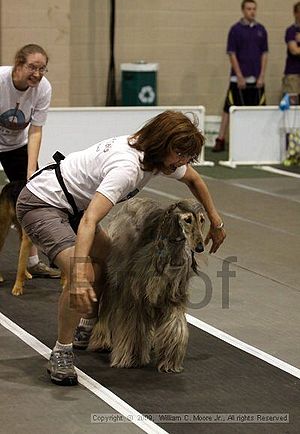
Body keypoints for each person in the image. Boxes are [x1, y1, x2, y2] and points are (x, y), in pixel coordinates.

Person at [16, 110, 226, 386]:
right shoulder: (127, 168)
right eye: (180, 155)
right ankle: (61, 353)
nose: (183, 162)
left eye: (187, 157)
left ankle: (86, 326)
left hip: (73, 206)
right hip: (41, 204)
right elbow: (90, 221)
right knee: (85, 272)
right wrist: (78, 278)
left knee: (109, 258)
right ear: (163, 144)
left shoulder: (159, 156)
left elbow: (194, 180)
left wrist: (216, 222)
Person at [0, 44, 60, 278]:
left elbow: (35, 130)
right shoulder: (1, 81)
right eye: (32, 67)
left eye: (42, 68)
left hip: (17, 145)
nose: (37, 73)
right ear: (18, 64)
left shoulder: (43, 88)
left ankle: (32, 262)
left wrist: (30, 172)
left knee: (32, 198)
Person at [212, 0, 268, 152]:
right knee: (228, 108)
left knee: (259, 109)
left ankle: (259, 140)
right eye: (249, 9)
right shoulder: (235, 30)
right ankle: (220, 139)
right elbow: (232, 54)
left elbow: (264, 53)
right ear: (243, 10)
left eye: (254, 9)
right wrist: (239, 75)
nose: (252, 11)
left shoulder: (261, 30)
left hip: (256, 79)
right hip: (238, 79)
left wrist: (262, 75)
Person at [282, 1, 300, 105]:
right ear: (295, 13)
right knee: (292, 106)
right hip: (293, 74)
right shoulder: (291, 31)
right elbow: (294, 50)